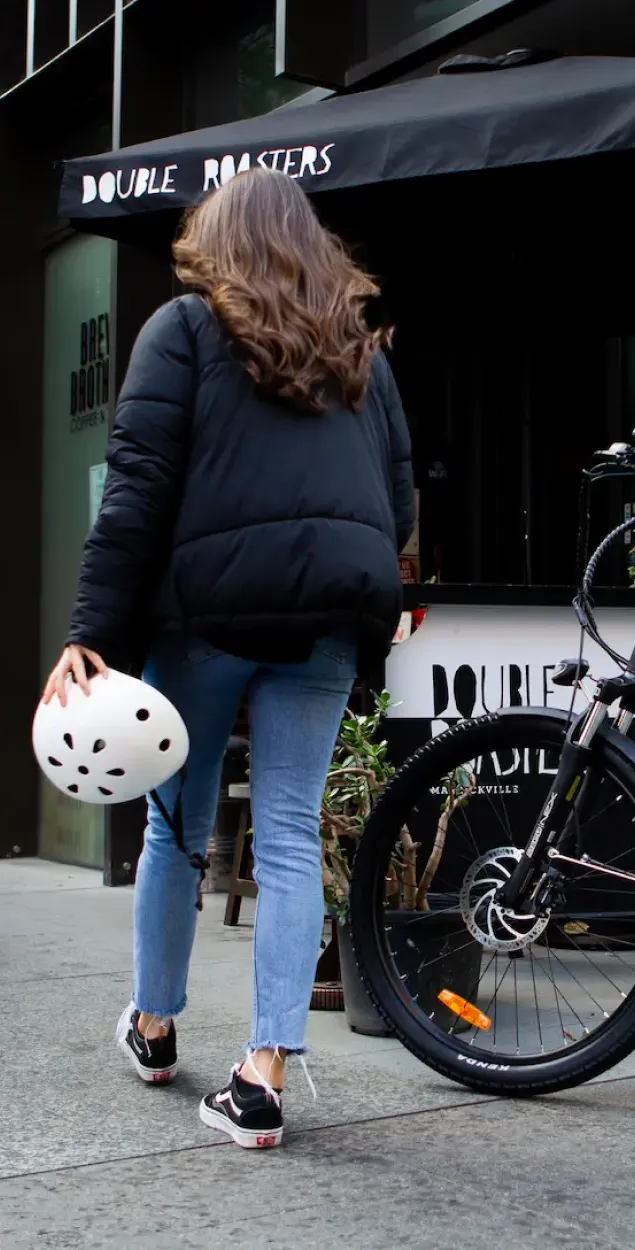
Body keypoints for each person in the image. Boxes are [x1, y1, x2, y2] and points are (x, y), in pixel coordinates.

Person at [42, 167, 414, 1149]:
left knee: (175, 821)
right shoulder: (361, 357)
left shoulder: (186, 329)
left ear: (214, 237)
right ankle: (264, 1072)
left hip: (205, 615)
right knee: (288, 829)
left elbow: (136, 489)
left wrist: (90, 632)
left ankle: (156, 1026)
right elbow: (399, 495)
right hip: (330, 614)